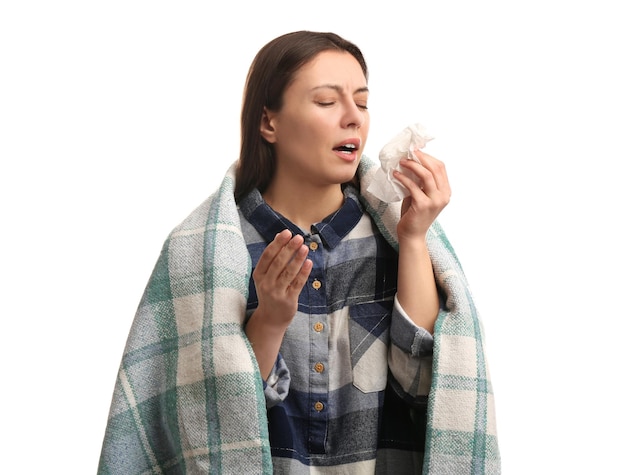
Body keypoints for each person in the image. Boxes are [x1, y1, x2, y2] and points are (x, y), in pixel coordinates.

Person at [98, 31, 500, 474]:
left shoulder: (393, 238)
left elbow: (427, 387)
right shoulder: (202, 253)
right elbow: (214, 426)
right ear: (268, 122)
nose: (353, 119)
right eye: (327, 102)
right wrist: (269, 319)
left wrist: (413, 238)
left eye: (362, 103)